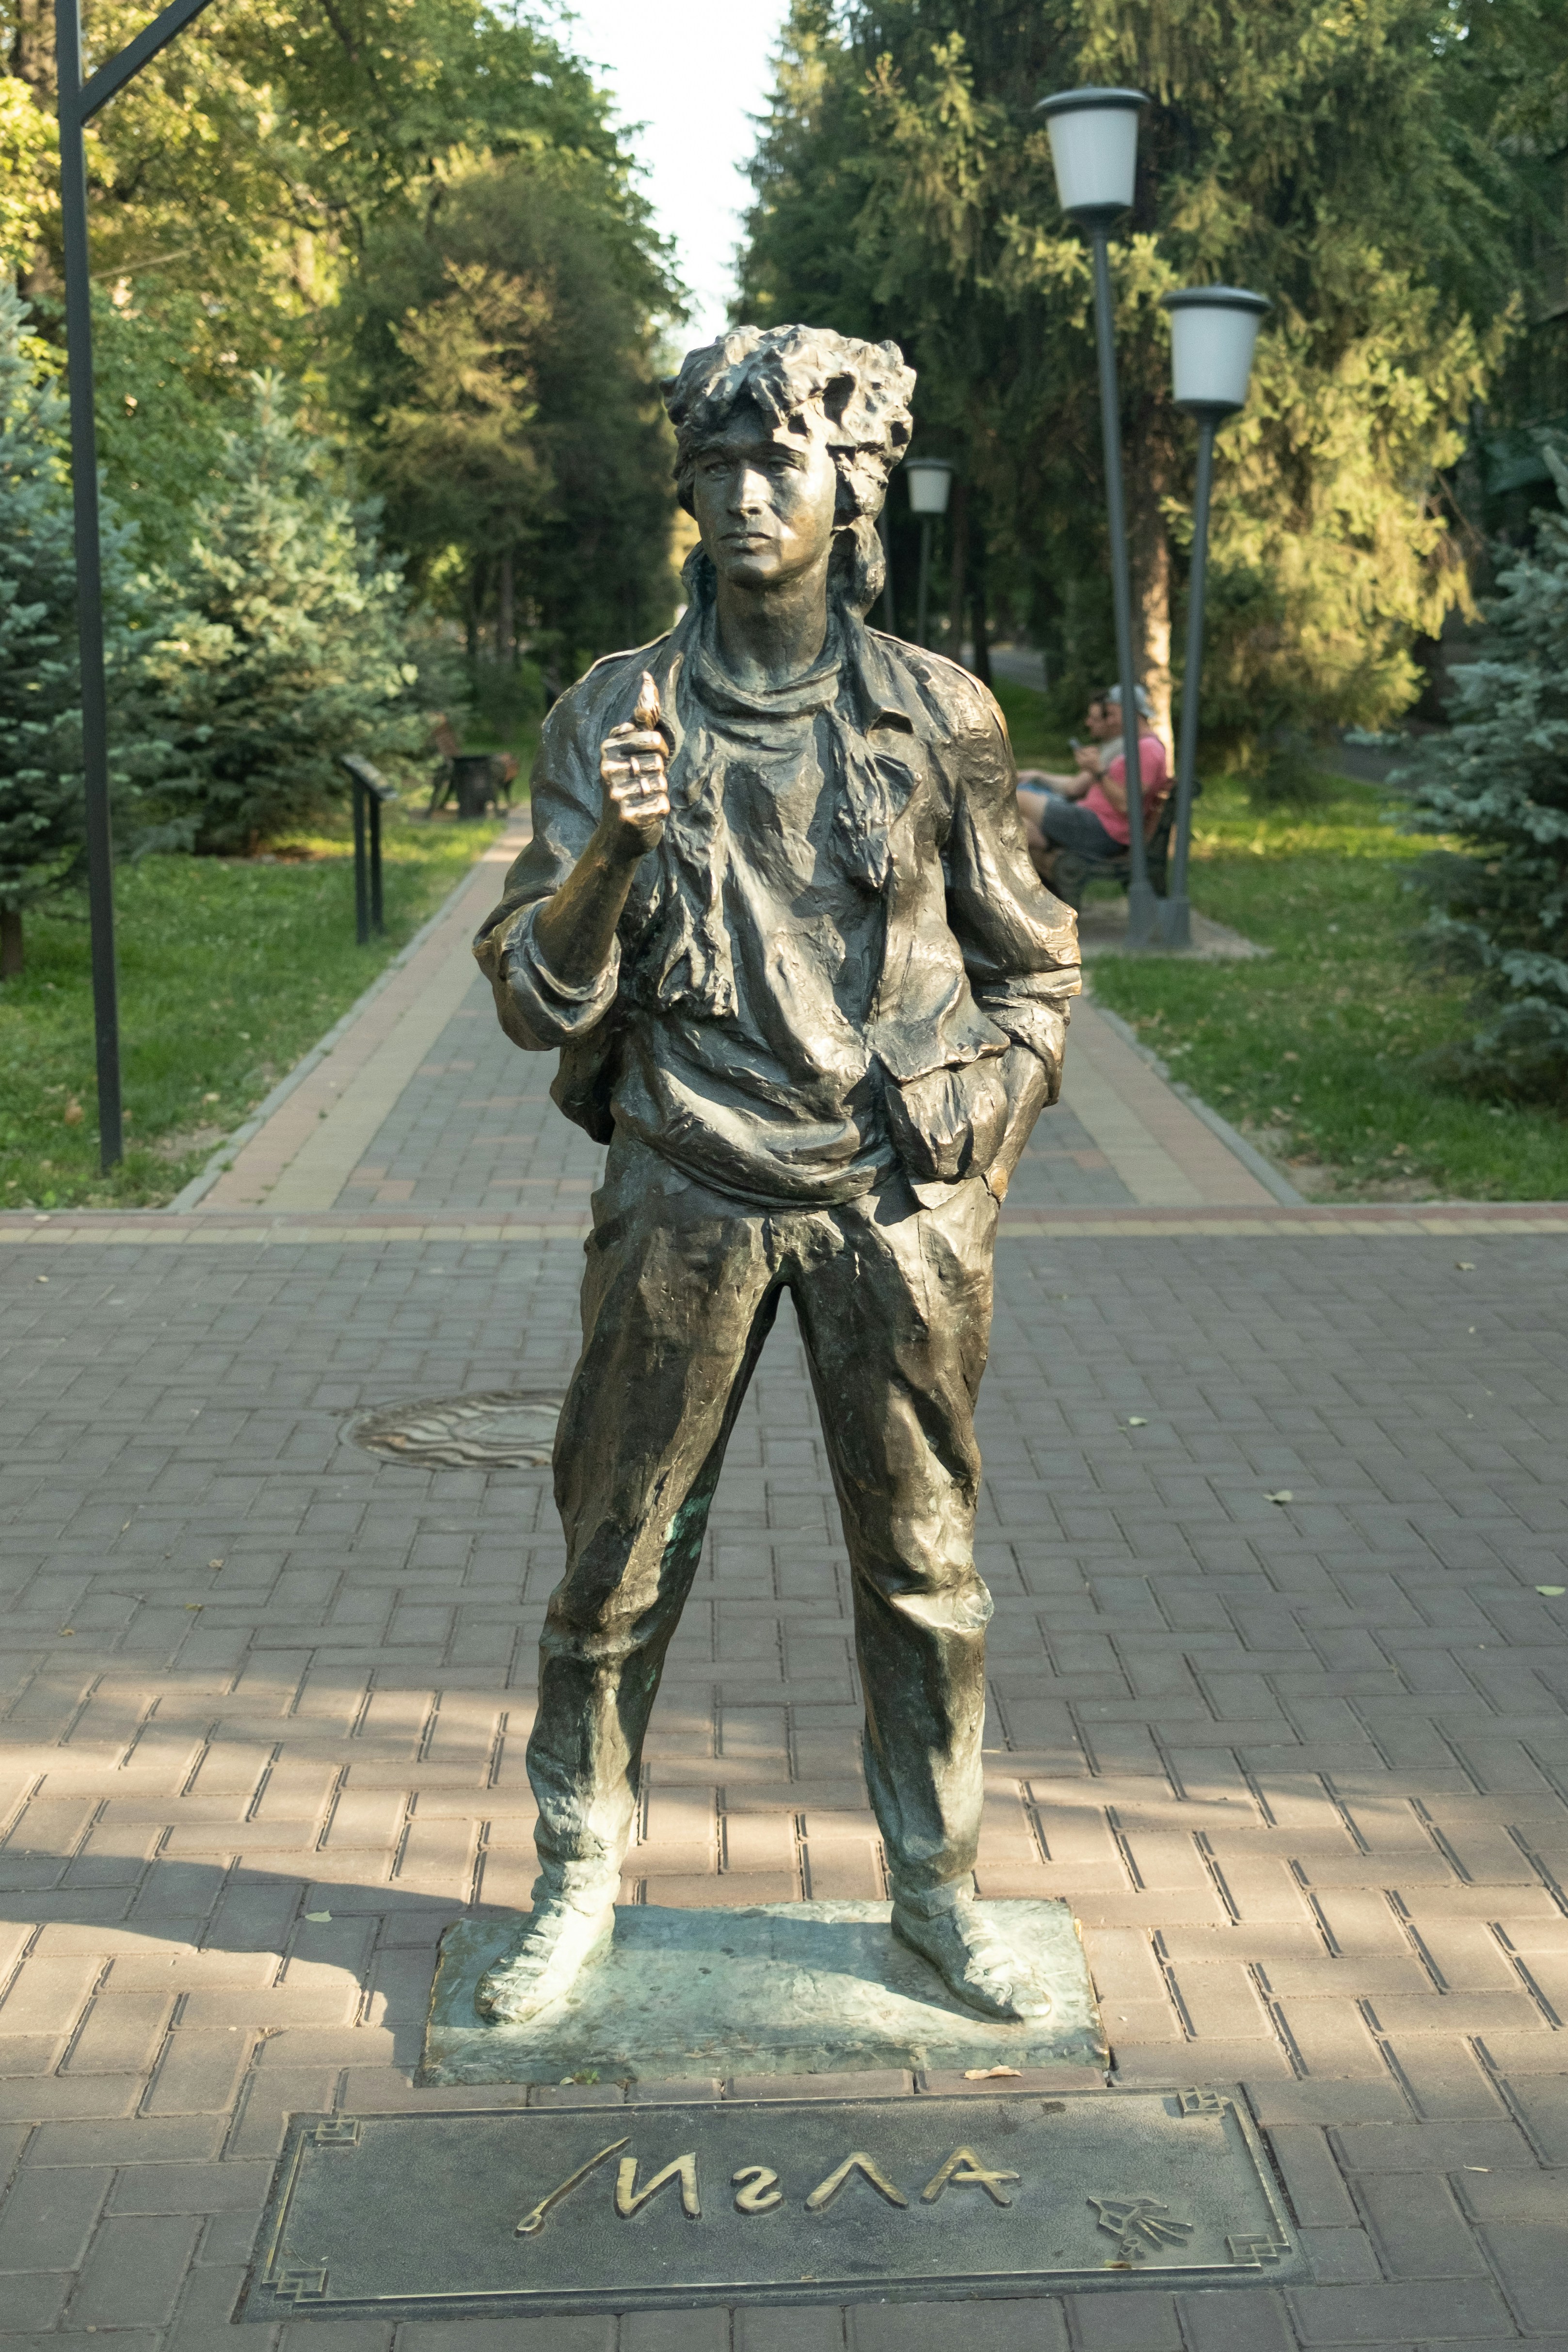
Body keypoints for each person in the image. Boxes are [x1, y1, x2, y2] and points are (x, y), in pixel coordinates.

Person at [471, 323, 1080, 2029]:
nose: (745, 495)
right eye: (719, 466)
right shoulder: (611, 713)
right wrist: (612, 846)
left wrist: (977, 1150)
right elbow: (533, 998)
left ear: (848, 489)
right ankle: (575, 1874)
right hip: (681, 1189)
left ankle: (936, 1889)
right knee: (617, 1561)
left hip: (893, 1210)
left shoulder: (936, 714)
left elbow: (1035, 961)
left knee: (923, 1568)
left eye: (782, 465)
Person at [1016, 685, 1168, 883]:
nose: (1109, 720)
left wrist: (1097, 771)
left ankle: (1044, 846)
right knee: (1020, 828)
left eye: (1112, 714)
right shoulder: (1136, 746)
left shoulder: (1148, 750)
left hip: (1103, 831)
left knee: (1016, 797)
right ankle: (1043, 851)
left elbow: (1127, 804)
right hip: (1092, 821)